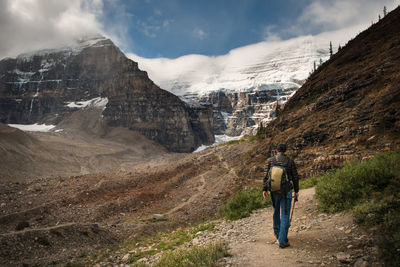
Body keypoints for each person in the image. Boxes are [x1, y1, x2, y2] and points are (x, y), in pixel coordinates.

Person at [262, 143, 299, 248]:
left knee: (276, 211)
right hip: (286, 191)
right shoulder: (290, 162)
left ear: (277, 150)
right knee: (285, 214)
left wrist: (264, 189)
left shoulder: (270, 161)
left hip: (274, 190)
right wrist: (296, 191)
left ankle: (277, 234)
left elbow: (265, 176)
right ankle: (282, 241)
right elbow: (295, 177)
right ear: (286, 151)